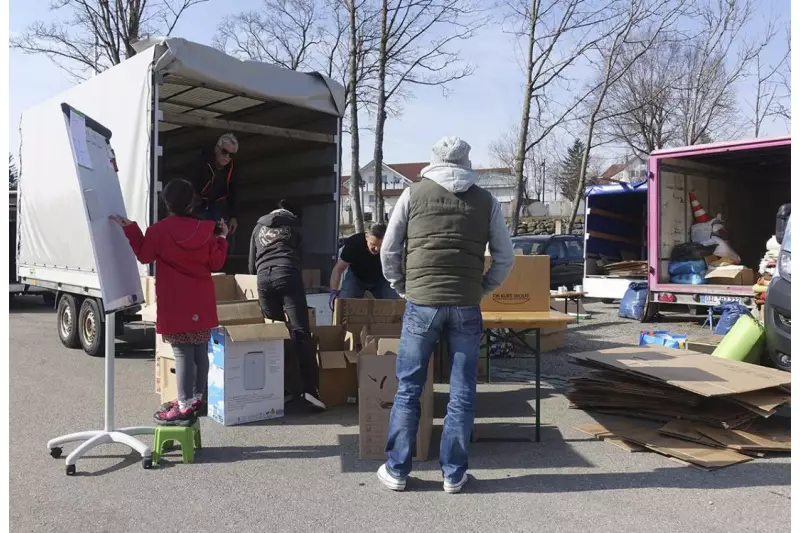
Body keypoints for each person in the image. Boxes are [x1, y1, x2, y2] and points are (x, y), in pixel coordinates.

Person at [376, 136, 514, 493]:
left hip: (421, 302)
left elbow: (389, 248)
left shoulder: (413, 193)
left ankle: (397, 470)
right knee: (463, 389)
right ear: (467, 162)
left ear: (433, 159)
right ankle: (453, 473)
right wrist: (481, 288)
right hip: (466, 304)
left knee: (409, 387)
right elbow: (505, 257)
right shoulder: (487, 201)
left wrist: (401, 285)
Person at [111, 178, 229, 425]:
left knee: (182, 352)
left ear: (167, 202)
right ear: (192, 202)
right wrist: (222, 239)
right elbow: (216, 263)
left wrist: (131, 228)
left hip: (176, 302)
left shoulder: (158, 231)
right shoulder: (207, 231)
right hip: (202, 300)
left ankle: (184, 405)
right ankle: (196, 398)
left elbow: (144, 256)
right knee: (199, 350)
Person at [248, 199, 325, 412]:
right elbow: (301, 257)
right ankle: (310, 391)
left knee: (274, 333)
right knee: (301, 332)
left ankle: (278, 390)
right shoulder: (294, 225)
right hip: (288, 274)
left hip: (263, 279)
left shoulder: (258, 227)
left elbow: (251, 264)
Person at [329, 224, 396, 310]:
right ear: (366, 236)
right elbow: (338, 269)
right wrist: (333, 291)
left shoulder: (391, 245)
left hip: (382, 279)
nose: (377, 249)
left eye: (381, 245)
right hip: (356, 278)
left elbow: (398, 268)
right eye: (373, 244)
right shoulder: (354, 243)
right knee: (342, 304)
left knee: (398, 304)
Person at [192, 133, 240, 235]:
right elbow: (189, 184)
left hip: (214, 204)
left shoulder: (232, 169)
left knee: (217, 234)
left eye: (231, 155)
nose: (227, 157)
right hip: (195, 203)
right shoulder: (200, 162)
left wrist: (233, 216)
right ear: (216, 149)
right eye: (224, 152)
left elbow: (233, 193)